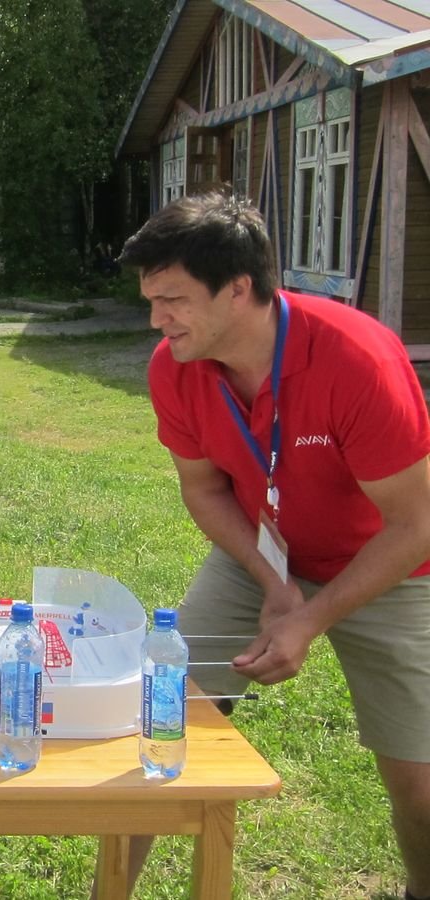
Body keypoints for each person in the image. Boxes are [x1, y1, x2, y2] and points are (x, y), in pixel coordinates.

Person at [102, 192, 430, 900]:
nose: (157, 320)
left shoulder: (356, 359)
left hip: (392, 565)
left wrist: (308, 618)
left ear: (238, 288)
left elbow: (414, 525)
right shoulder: (173, 367)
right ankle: (111, 893)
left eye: (173, 300)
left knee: (421, 786)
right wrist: (274, 581)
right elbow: (204, 490)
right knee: (160, 717)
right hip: (264, 552)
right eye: (151, 301)